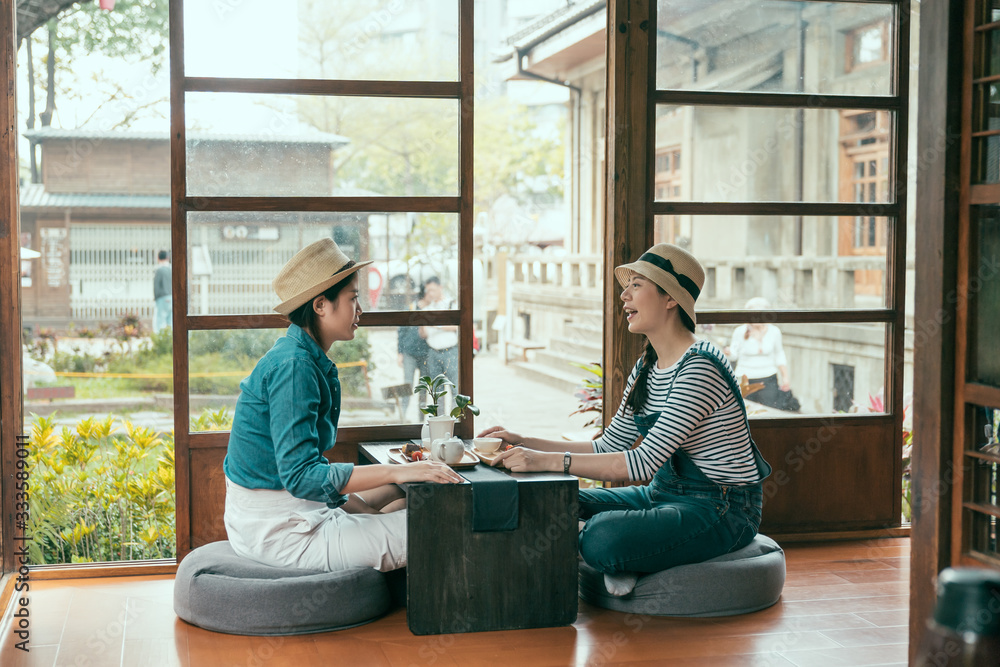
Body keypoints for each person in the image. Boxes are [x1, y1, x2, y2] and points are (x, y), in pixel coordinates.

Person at [478, 243, 771, 596]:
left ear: (670, 299)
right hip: (662, 495)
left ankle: (618, 551)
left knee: (604, 535)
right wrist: (524, 441)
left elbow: (642, 462)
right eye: (626, 286)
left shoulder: (700, 366)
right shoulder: (647, 367)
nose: (623, 295)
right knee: (543, 496)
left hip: (722, 508)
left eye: (636, 285)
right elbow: (608, 444)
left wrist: (544, 461)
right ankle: (630, 554)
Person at [223, 238, 463, 573]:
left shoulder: (302, 357)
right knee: (438, 521)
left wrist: (369, 510)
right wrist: (398, 469)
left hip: (296, 511)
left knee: (400, 497)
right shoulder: (294, 367)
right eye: (353, 299)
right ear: (321, 305)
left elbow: (308, 469)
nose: (360, 310)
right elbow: (302, 476)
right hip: (281, 531)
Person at [726, 297, 801, 413]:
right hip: (745, 378)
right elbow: (734, 355)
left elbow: (779, 354)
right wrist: (729, 352)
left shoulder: (774, 331)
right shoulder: (739, 331)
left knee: (770, 411)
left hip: (768, 378)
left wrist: (785, 378)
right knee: (746, 412)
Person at [419, 276, 458, 401]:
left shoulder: (451, 304)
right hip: (433, 352)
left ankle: (456, 419)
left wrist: (437, 324)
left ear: (440, 288)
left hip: (450, 351)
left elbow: (456, 326)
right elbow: (424, 334)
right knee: (437, 392)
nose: (430, 293)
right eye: (428, 291)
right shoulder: (426, 309)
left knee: (455, 388)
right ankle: (439, 419)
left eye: (433, 290)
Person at [397, 285, 431, 418]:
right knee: (407, 385)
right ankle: (402, 416)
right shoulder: (411, 308)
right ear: (425, 295)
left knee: (423, 388)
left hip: (426, 354)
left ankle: (421, 419)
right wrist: (400, 353)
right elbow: (401, 331)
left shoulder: (431, 310)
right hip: (409, 352)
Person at [153, 250, 172, 332]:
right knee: (170, 320)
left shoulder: (159, 270)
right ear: (168, 257)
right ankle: (170, 339)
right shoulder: (172, 269)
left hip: (162, 298)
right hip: (172, 297)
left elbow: (156, 286)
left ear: (158, 258)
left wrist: (156, 298)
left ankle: (160, 340)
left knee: (160, 321)